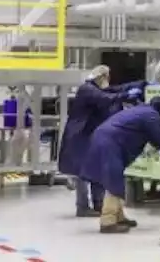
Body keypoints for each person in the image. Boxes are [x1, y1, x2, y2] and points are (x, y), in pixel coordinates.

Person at [58, 66, 145, 217]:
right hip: (79, 136)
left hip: (89, 135)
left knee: (96, 168)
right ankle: (82, 206)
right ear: (102, 77)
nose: (109, 80)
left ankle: (98, 204)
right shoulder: (87, 89)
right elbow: (105, 98)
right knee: (82, 173)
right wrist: (125, 96)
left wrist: (142, 84)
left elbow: (115, 89)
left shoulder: (96, 88)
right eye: (107, 77)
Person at [81, 97, 160, 233]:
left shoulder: (139, 110)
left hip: (103, 139)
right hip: (110, 144)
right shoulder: (151, 114)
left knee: (115, 179)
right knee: (114, 182)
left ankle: (119, 216)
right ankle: (108, 221)